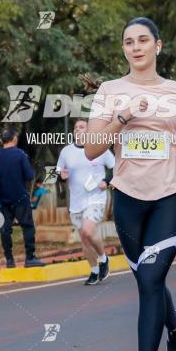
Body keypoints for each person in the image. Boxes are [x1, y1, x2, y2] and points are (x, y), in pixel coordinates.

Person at [84, 17, 176, 351]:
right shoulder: (109, 91)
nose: (135, 47)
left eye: (142, 40)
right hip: (128, 198)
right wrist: (122, 117)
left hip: (171, 194)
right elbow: (90, 149)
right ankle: (175, 324)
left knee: (152, 279)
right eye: (128, 42)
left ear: (158, 45)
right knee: (147, 283)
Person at [57, 118, 115, 286]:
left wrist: (107, 181)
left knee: (88, 231)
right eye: (75, 127)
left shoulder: (99, 148)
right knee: (84, 237)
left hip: (96, 197)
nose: (77, 129)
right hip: (76, 202)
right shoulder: (66, 152)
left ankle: (103, 259)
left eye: (82, 127)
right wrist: (61, 176)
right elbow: (58, 172)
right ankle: (94, 270)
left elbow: (115, 167)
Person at [0, 128, 46, 268]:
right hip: (20, 198)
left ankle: (9, 260)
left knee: (5, 230)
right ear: (14, 138)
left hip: (3, 201)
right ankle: (30, 258)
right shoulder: (20, 154)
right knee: (27, 226)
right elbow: (29, 175)